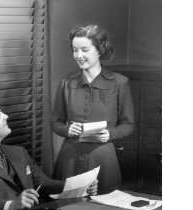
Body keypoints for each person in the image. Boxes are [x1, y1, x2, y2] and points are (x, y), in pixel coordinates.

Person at [52, 24, 134, 194]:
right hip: (69, 159)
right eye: (75, 50)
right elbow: (55, 122)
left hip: (103, 158)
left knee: (104, 209)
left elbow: (128, 125)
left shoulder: (120, 83)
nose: (78, 55)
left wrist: (110, 134)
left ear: (99, 50)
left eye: (84, 50)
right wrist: (68, 129)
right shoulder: (66, 82)